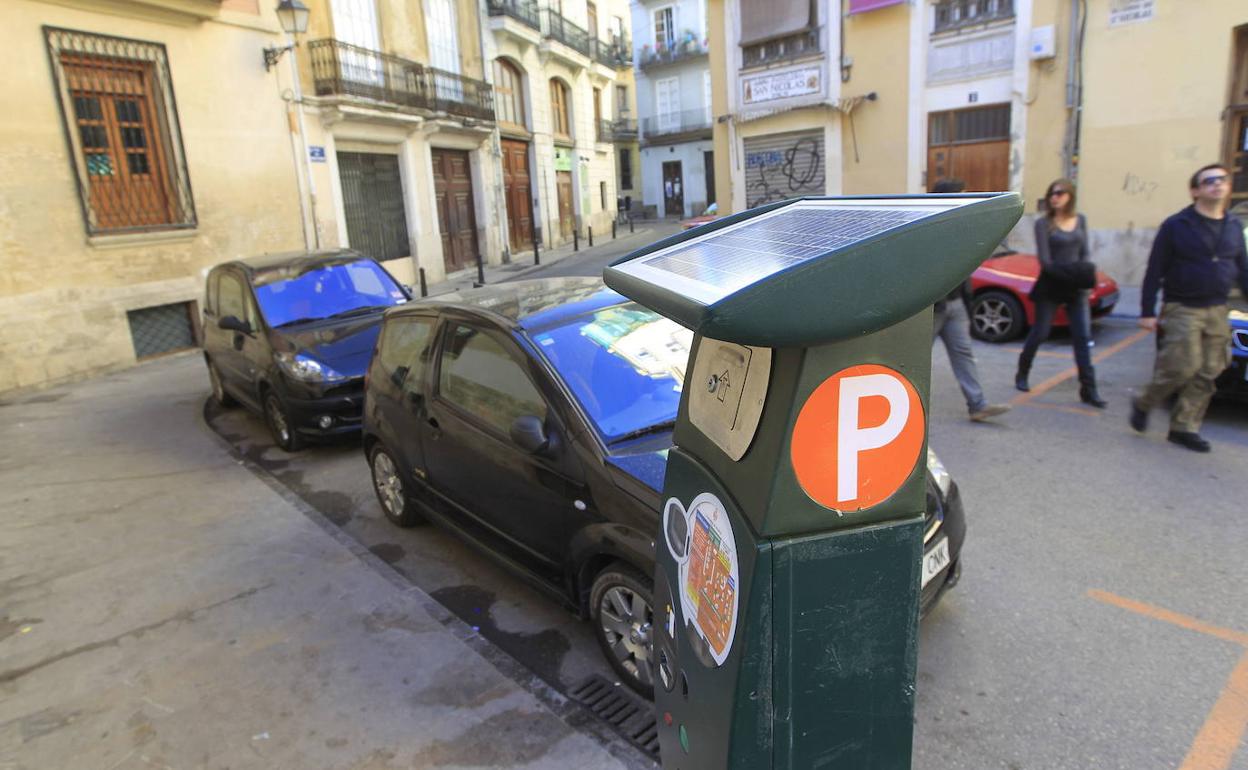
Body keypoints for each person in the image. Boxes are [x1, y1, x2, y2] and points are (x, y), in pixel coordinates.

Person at [1129, 163, 1248, 452]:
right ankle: (1145, 401)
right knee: (1181, 367)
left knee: (1209, 370)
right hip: (1183, 307)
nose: (1217, 184)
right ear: (1196, 191)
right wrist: (1147, 311)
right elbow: (1155, 269)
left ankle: (1184, 427)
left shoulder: (1233, 226)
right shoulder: (1177, 225)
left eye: (1222, 179)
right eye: (1209, 181)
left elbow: (1242, 269)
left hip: (1218, 308)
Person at [1014, 179, 1106, 407]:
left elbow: (1085, 254)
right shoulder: (1043, 224)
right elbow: (1045, 262)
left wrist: (1083, 276)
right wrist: (1077, 273)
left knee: (1082, 337)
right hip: (1052, 285)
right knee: (1041, 332)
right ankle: (1022, 373)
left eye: (1060, 193)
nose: (1054, 197)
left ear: (1069, 196)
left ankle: (1089, 389)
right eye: (1051, 194)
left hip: (1076, 288)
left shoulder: (1080, 220)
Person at [931, 178, 1011, 422]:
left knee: (963, 353)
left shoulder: (963, 226)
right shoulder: (930, 228)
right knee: (913, 361)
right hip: (932, 308)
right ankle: (897, 409)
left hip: (956, 304)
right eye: (961, 195)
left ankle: (977, 405)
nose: (966, 200)